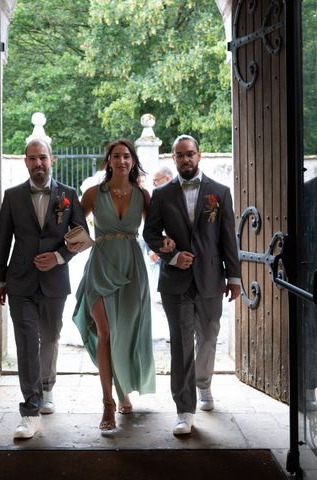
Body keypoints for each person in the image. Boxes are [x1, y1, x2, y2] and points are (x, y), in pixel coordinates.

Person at [69, 139, 174, 432]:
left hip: (132, 269)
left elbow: (153, 232)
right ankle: (108, 403)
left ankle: (123, 389)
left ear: (132, 161)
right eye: (116, 156)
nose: (122, 160)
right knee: (105, 333)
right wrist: (69, 246)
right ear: (109, 161)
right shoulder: (92, 194)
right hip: (100, 268)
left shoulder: (143, 195)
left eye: (127, 156)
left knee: (125, 333)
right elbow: (72, 226)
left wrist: (167, 243)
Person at [143, 134, 241, 435]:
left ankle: (203, 383)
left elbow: (227, 237)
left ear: (199, 155)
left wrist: (234, 276)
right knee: (182, 345)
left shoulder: (220, 192)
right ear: (173, 159)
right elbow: (150, 234)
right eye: (180, 155)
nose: (186, 159)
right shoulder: (161, 195)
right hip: (176, 281)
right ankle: (184, 410)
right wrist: (171, 256)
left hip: (212, 278)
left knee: (209, 337)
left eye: (190, 154)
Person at [0, 138, 88, 439]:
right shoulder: (12, 196)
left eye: (42, 158)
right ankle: (30, 411)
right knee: (25, 343)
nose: (38, 163)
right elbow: (3, 241)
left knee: (50, 337)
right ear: (25, 162)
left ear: (52, 160)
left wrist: (59, 256)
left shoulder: (69, 195)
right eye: (32, 158)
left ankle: (47, 386)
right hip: (20, 281)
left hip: (54, 282)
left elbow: (82, 237)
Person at [146, 166, 174, 302]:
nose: (153, 184)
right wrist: (155, 247)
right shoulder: (157, 196)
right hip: (164, 251)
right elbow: (151, 228)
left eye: (155, 180)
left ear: (167, 178)